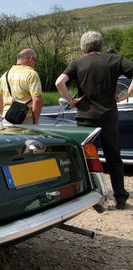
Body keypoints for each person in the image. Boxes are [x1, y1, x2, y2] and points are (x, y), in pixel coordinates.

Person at [55, 30, 133, 210]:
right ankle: (120, 198)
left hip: (86, 117)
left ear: (83, 48)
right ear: (100, 45)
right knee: (114, 157)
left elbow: (59, 82)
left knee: (86, 157)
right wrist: (126, 94)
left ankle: (91, 197)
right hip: (109, 116)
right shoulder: (115, 59)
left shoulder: (78, 63)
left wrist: (71, 101)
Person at [0, 48, 43, 124]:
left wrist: (2, 114)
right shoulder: (31, 74)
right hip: (25, 119)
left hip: (7, 119)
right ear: (30, 59)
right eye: (35, 60)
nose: (34, 64)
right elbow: (37, 101)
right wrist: (35, 120)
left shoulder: (4, 76)